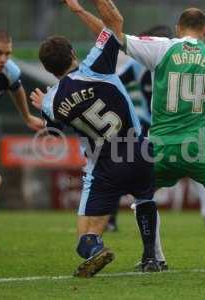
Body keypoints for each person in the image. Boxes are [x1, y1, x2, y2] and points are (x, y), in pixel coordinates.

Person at [66, 0, 205, 268]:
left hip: (160, 145)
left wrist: (80, 10)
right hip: (200, 145)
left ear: (177, 28)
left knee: (143, 197)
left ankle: (153, 257)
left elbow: (111, 34)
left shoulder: (162, 48)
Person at [30, 1, 162, 275]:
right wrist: (78, 9)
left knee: (85, 238)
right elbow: (113, 22)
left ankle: (95, 249)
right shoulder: (96, 66)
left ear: (47, 68)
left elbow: (50, 125)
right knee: (145, 199)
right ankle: (151, 257)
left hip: (105, 166)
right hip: (138, 149)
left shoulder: (52, 102)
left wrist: (42, 105)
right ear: (72, 53)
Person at [106, 23, 205, 234]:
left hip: (184, 127)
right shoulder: (137, 65)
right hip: (150, 127)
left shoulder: (174, 58)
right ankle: (113, 219)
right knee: (127, 170)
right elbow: (116, 83)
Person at [0, 29, 44, 255]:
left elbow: (17, 89)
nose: (3, 59)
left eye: (8, 53)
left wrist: (27, 117)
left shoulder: (9, 72)